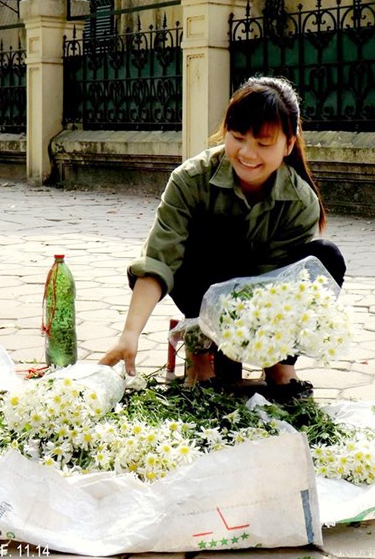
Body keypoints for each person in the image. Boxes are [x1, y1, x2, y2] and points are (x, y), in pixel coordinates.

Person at [99, 75, 346, 399]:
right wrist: (129, 335)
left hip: (260, 294)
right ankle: (200, 359)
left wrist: (261, 344)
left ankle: (279, 365)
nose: (247, 153)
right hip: (203, 284)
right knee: (197, 241)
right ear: (225, 131)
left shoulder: (300, 202)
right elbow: (159, 260)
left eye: (263, 142)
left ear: (288, 144)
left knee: (325, 258)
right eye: (238, 136)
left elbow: (275, 285)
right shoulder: (190, 180)